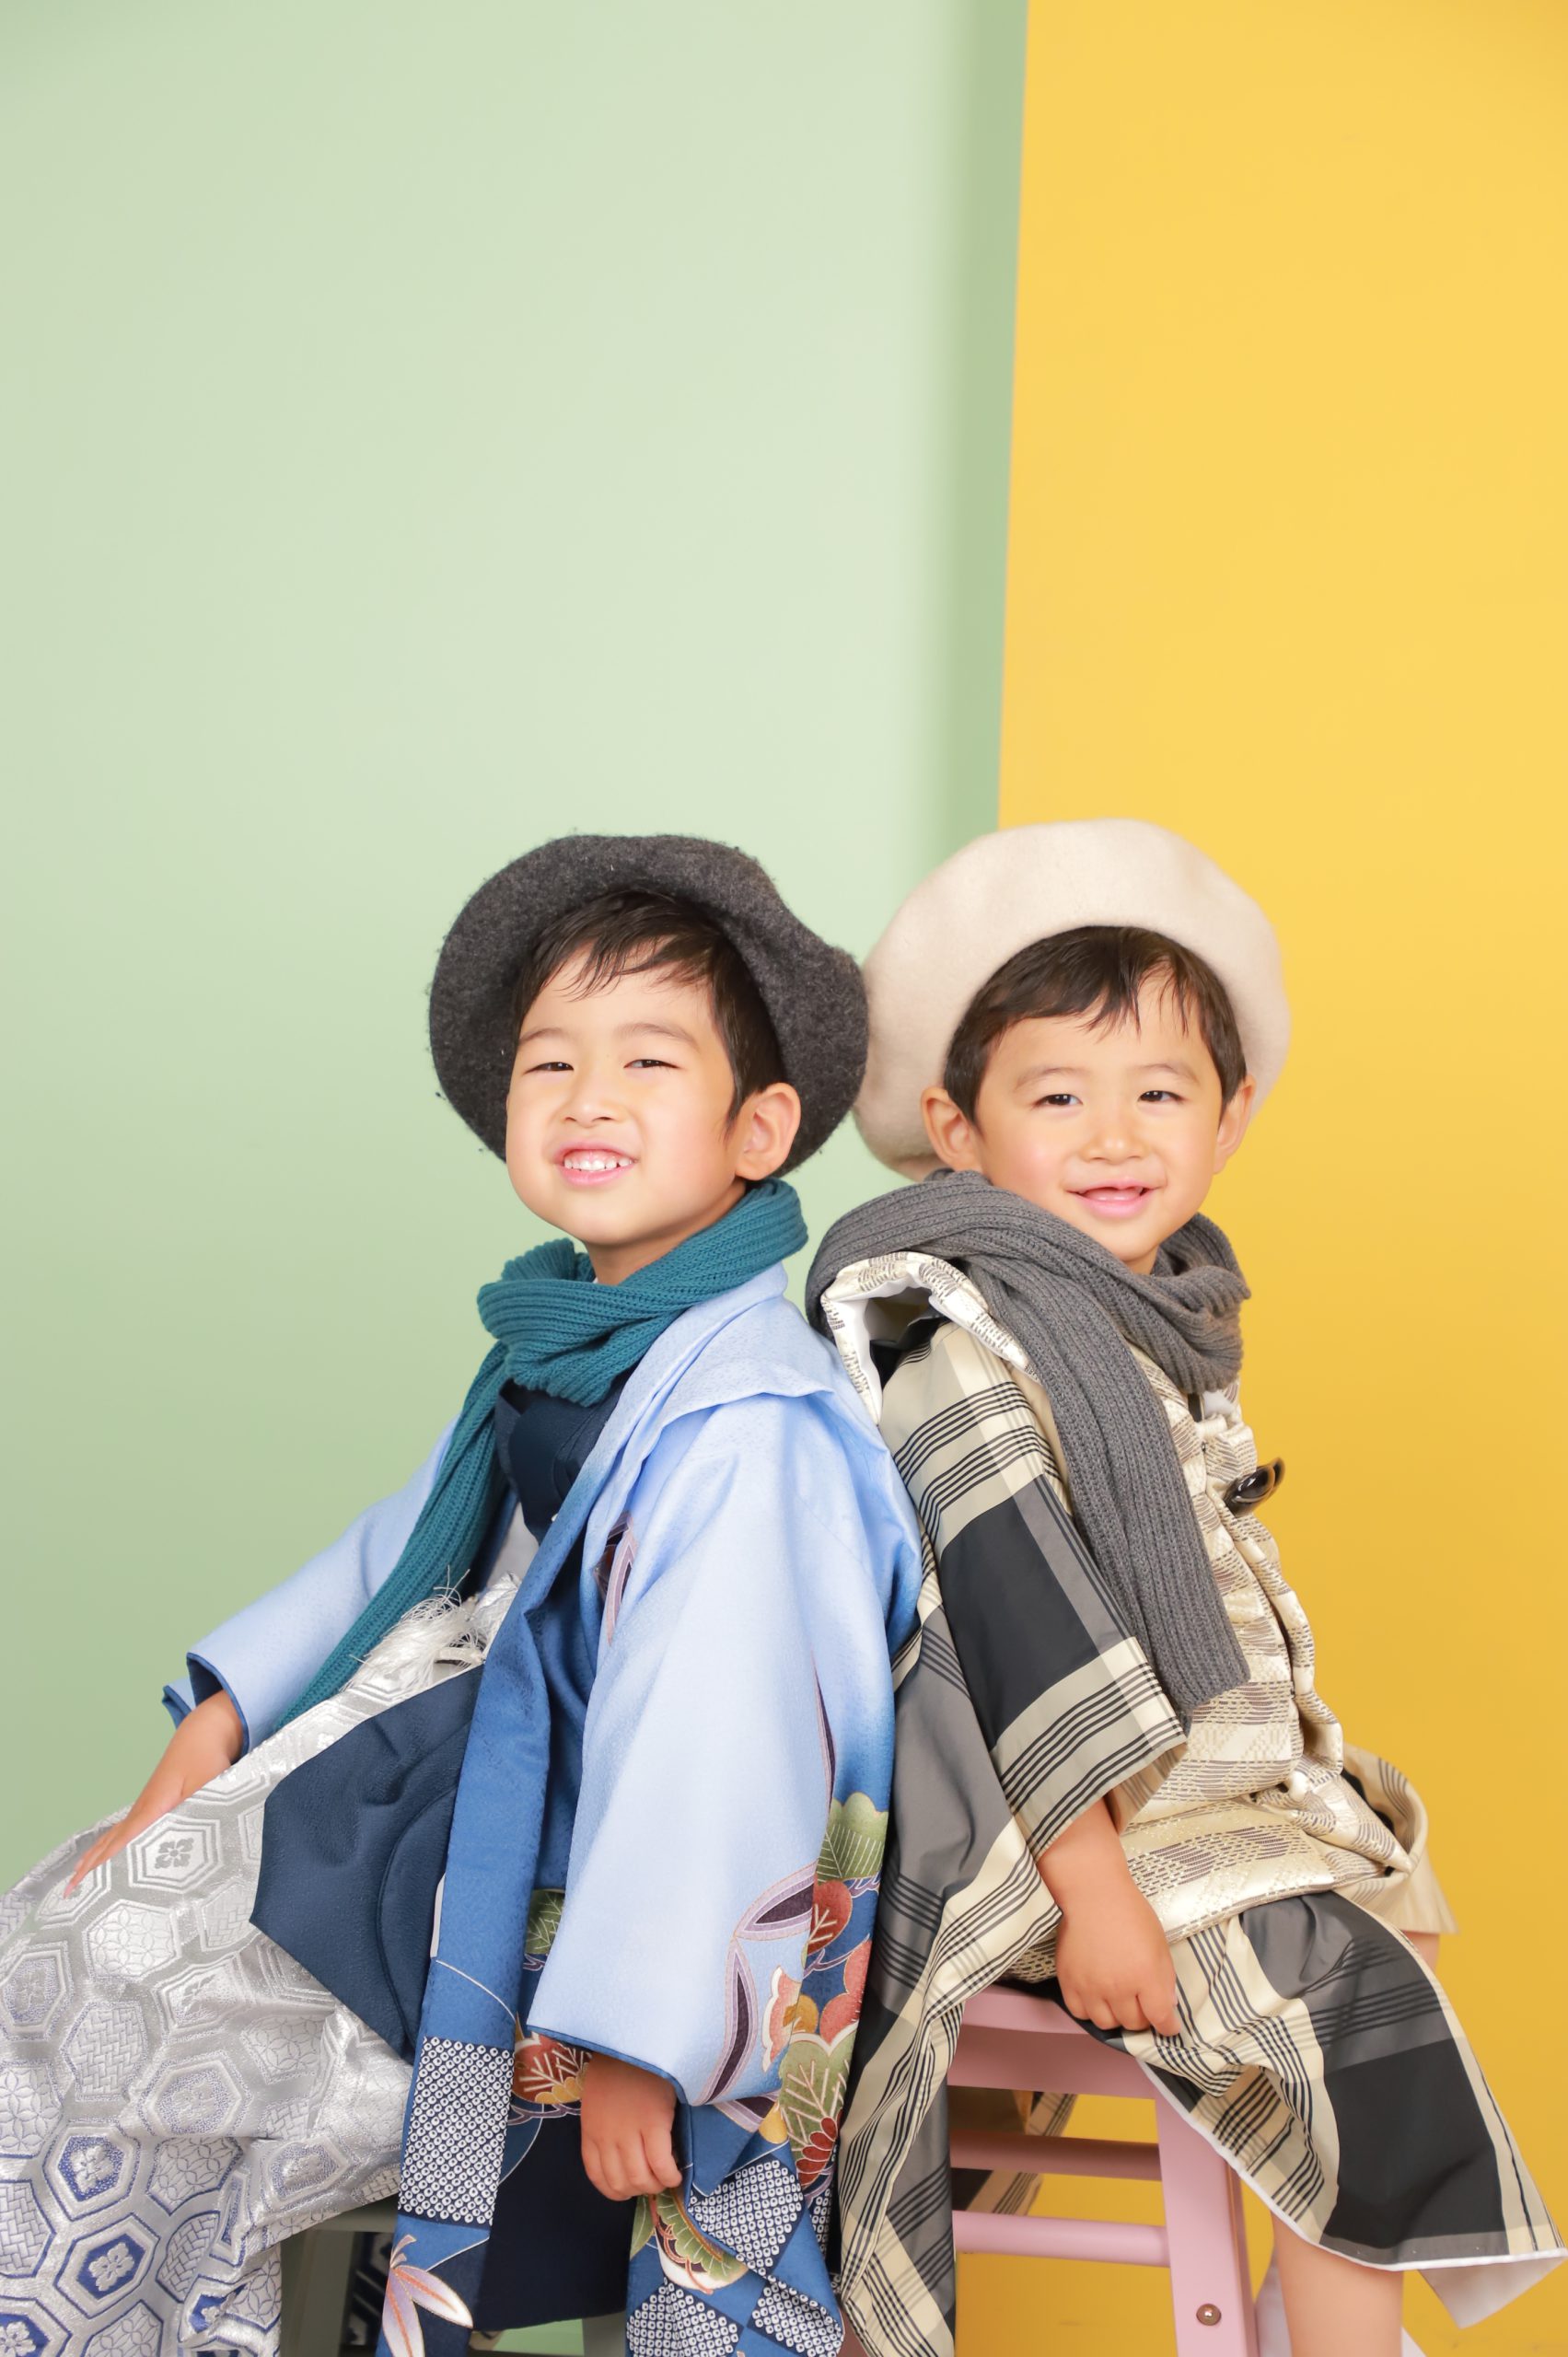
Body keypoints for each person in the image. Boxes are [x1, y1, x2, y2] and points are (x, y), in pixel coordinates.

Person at [0, 834, 921, 2357]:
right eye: (550, 1063)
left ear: (760, 1128)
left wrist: (642, 2037)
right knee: (58, 1932)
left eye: (647, 1061)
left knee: (137, 2005)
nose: (587, 1099)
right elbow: (393, 1560)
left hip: (569, 1870)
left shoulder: (751, 1427)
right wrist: (208, 1737)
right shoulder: (554, 1348)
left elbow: (717, 1740)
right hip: (440, 1772)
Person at [805, 819, 1562, 2357]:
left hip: (1179, 1808)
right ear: (957, 1129)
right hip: (1037, 1835)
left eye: (1160, 1093)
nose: (1115, 1137)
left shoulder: (1146, 1321)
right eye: (1057, 1096)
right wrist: (1094, 1896)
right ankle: (1342, 2329)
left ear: (1232, 1116)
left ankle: (1316, 2291)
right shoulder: (959, 1340)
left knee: (1390, 1871)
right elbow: (1013, 1632)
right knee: (1338, 2005)